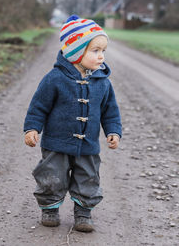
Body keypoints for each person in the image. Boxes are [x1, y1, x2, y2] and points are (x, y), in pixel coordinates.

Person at [24, 15, 122, 232]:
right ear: (76, 52)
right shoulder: (55, 78)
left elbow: (110, 111)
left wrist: (113, 131)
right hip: (56, 144)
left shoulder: (103, 83)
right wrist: (32, 128)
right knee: (51, 176)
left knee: (88, 178)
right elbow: (38, 106)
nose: (101, 56)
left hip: (88, 145)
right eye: (95, 50)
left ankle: (83, 213)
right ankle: (49, 208)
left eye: (103, 51)